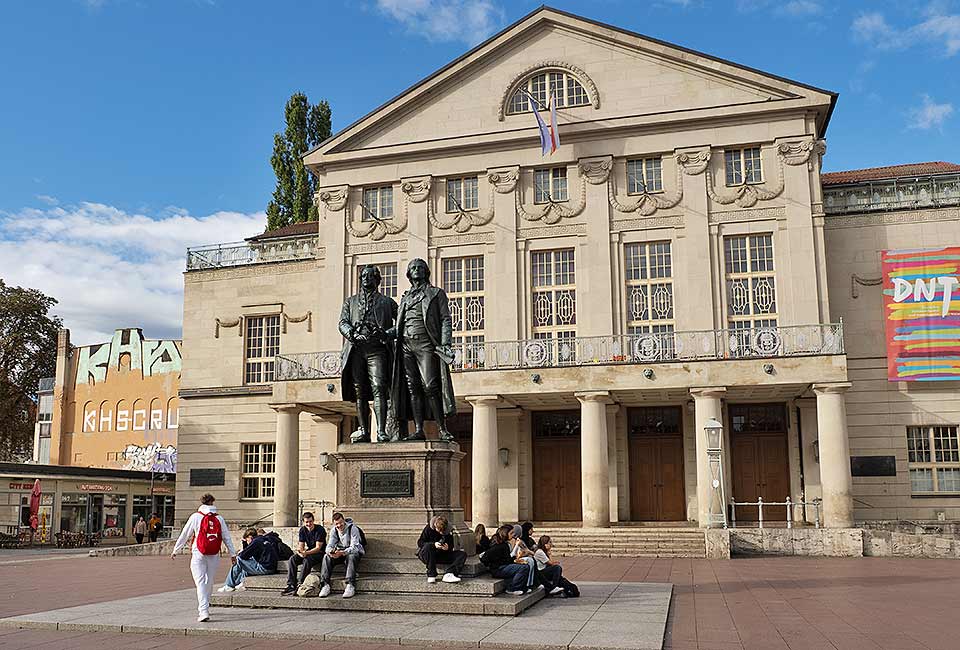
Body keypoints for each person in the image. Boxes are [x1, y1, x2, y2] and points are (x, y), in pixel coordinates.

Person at [390, 258, 457, 441]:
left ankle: (442, 429)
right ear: (409, 274)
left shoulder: (436, 293)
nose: (417, 270)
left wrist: (445, 343)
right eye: (413, 268)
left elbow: (445, 319)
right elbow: (398, 327)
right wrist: (381, 334)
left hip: (426, 343)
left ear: (426, 272)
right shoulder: (405, 297)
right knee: (413, 388)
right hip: (405, 345)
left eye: (420, 267)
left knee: (430, 386)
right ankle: (419, 429)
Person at [339, 264, 399, 443]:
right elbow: (342, 322)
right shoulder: (350, 302)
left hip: (377, 350)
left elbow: (401, 324)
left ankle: (380, 431)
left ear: (378, 280)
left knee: (379, 387)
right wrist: (352, 334)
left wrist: (386, 334)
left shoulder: (387, 302)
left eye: (370, 276)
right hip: (356, 350)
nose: (366, 278)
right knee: (360, 392)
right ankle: (364, 431)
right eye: (363, 276)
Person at [171, 494, 237, 623]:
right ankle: (205, 606)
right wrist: (232, 554)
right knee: (209, 580)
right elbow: (226, 537)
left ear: (201, 503)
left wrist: (176, 550)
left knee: (200, 582)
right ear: (212, 503)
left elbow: (185, 534)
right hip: (214, 553)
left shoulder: (195, 517)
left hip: (198, 552)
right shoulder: (219, 518)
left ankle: (203, 611)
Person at [318, 512, 364, 599]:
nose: (339, 525)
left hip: (351, 553)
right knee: (326, 557)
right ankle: (325, 584)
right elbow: (329, 546)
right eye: (336, 524)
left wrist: (343, 552)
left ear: (344, 521)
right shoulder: (334, 530)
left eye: (340, 523)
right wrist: (331, 552)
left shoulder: (353, 529)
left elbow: (355, 547)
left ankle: (350, 584)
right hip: (339, 553)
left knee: (352, 556)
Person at [282, 512, 327, 596]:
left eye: (310, 521)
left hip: (320, 553)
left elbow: (318, 548)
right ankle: (291, 584)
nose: (308, 524)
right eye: (306, 522)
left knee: (307, 560)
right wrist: (301, 552)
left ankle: (300, 584)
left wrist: (306, 553)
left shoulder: (320, 529)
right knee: (292, 559)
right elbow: (301, 545)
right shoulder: (303, 530)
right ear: (303, 522)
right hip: (309, 552)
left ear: (313, 521)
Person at [219, 528, 278, 593]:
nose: (248, 542)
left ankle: (229, 585)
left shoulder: (256, 542)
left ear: (250, 537)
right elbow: (247, 555)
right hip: (271, 567)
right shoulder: (263, 539)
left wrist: (244, 544)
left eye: (247, 540)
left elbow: (243, 556)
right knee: (247, 563)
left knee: (238, 559)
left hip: (265, 568)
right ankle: (241, 582)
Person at [479, 524, 531, 596]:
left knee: (525, 565)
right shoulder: (499, 546)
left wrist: (516, 560)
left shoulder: (504, 544)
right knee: (524, 568)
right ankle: (512, 588)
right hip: (498, 569)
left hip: (503, 566)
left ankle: (522, 587)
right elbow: (485, 557)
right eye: (511, 533)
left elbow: (507, 559)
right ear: (505, 534)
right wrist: (491, 565)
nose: (513, 535)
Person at [416, 515, 466, 584]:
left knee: (462, 554)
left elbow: (451, 546)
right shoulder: (428, 528)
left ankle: (449, 573)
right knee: (428, 546)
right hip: (428, 555)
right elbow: (420, 542)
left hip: (441, 554)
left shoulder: (448, 530)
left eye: (442, 531)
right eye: (438, 531)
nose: (440, 533)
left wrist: (447, 548)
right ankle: (431, 574)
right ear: (435, 525)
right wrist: (433, 544)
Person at [509, 524, 539, 592]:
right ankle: (526, 584)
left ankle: (529, 584)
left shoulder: (520, 541)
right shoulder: (513, 541)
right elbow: (513, 554)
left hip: (518, 558)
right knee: (529, 561)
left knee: (531, 560)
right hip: (513, 559)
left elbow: (525, 550)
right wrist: (517, 546)